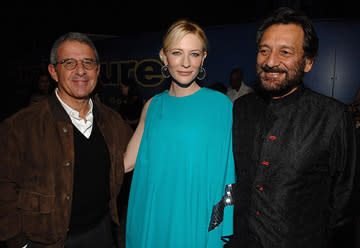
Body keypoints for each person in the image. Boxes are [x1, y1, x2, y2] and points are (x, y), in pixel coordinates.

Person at [228, 7, 358, 248]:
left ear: (308, 62)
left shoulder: (333, 117)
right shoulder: (242, 108)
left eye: (285, 52)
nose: (270, 62)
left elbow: (345, 201)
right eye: (264, 51)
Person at [0, 32, 133, 248]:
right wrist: (19, 243)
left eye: (88, 63)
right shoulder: (20, 126)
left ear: (97, 70)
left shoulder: (113, 121)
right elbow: (4, 187)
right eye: (69, 63)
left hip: (101, 234)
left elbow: (141, 157)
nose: (80, 70)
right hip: (45, 242)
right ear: (53, 71)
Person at [124, 19, 236, 248]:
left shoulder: (221, 106)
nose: (186, 63)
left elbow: (227, 170)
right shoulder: (153, 105)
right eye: (177, 53)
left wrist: (218, 216)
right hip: (154, 212)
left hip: (195, 215)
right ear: (164, 57)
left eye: (194, 54)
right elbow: (126, 163)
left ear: (203, 58)